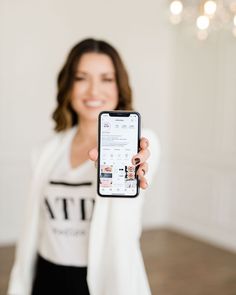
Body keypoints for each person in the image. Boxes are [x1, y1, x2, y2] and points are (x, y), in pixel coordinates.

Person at [7, 38, 160, 295]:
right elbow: (34, 226)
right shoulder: (45, 151)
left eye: (106, 79)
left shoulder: (142, 143)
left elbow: (128, 203)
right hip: (47, 275)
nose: (93, 90)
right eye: (81, 78)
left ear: (119, 87)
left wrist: (135, 165)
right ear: (68, 85)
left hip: (100, 280)